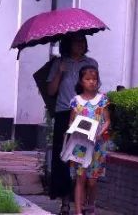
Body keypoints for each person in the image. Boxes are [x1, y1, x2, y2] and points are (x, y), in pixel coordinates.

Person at [46, 35, 97, 214]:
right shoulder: (59, 63)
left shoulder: (91, 63)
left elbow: (94, 88)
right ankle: (65, 202)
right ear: (68, 44)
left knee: (82, 158)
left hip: (85, 114)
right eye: (76, 42)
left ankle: (81, 204)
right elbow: (51, 91)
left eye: (82, 41)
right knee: (64, 158)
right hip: (64, 113)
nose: (80, 45)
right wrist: (60, 71)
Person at [67, 65, 111, 215]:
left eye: (94, 79)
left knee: (92, 180)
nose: (92, 82)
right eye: (88, 79)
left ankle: (91, 205)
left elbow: (107, 121)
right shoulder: (76, 101)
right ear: (81, 81)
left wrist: (100, 133)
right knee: (80, 178)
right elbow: (71, 122)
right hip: (80, 145)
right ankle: (79, 211)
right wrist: (77, 131)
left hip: (97, 145)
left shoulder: (102, 100)